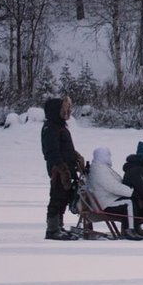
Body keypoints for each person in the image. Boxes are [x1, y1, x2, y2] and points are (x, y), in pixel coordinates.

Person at [39, 95, 86, 240]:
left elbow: (65, 148)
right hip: (58, 170)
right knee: (56, 197)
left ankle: (59, 226)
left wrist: (76, 157)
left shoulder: (59, 126)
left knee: (64, 198)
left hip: (66, 167)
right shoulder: (51, 128)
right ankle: (52, 229)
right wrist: (62, 168)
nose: (67, 112)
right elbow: (52, 151)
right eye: (64, 109)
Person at [84, 147, 143, 239]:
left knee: (133, 201)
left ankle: (136, 227)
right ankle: (129, 230)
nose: (109, 157)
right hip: (105, 203)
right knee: (129, 203)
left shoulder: (101, 167)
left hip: (107, 199)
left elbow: (116, 183)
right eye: (108, 155)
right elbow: (112, 186)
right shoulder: (99, 170)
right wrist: (131, 191)